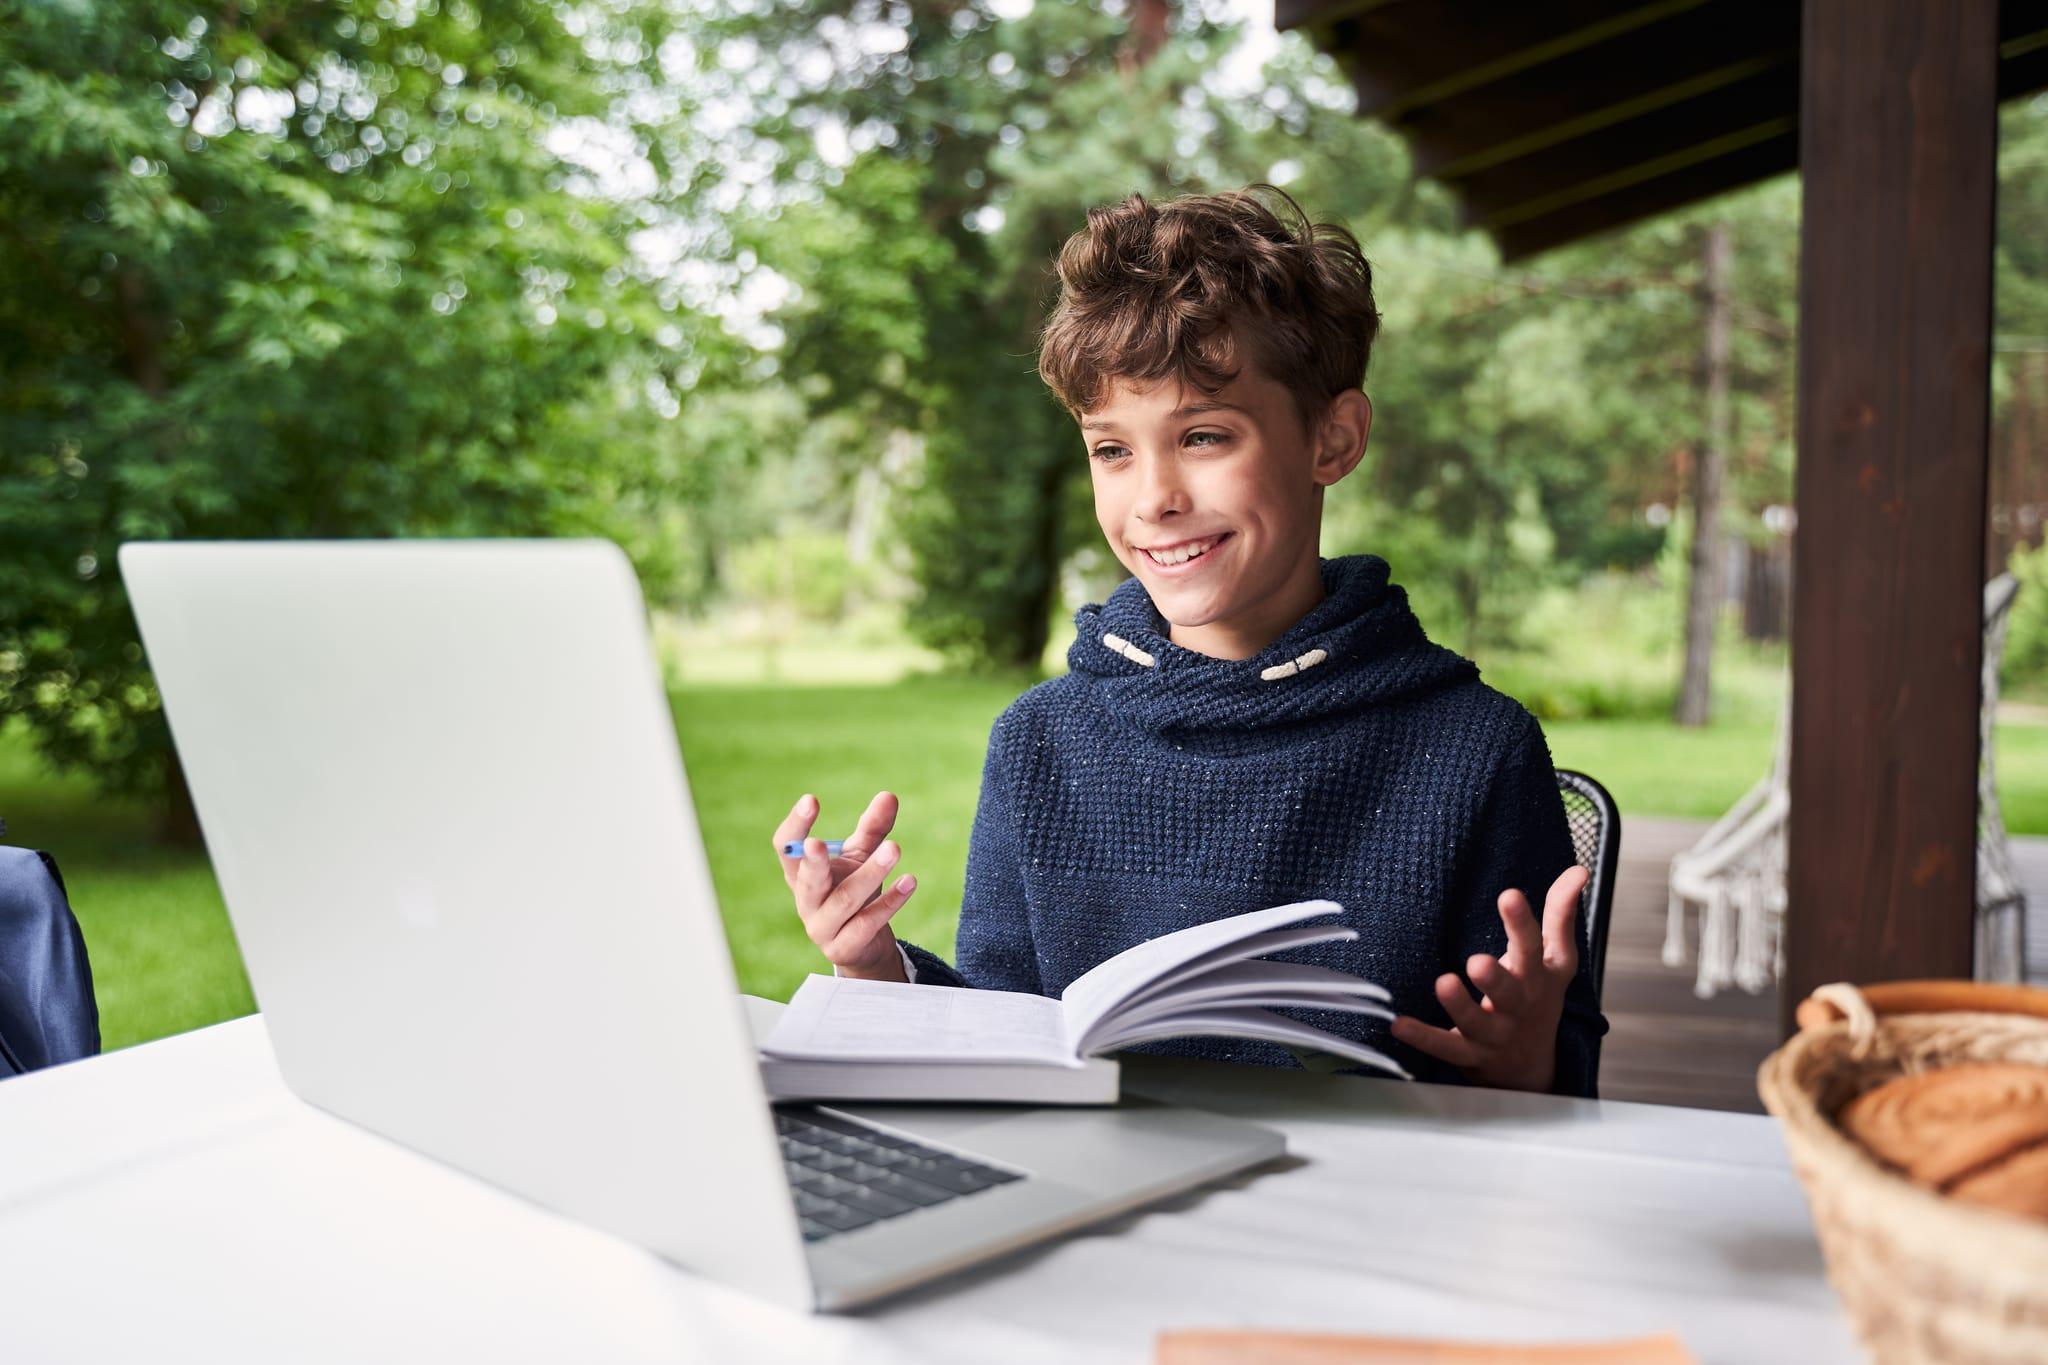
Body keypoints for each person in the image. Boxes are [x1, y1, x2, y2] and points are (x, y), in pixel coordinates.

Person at [770, 185, 1608, 1097]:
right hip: (1096, 1212)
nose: (1153, 498)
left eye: (1203, 435)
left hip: (1358, 1218)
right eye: (1113, 450)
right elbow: (1004, 1030)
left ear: (1334, 437)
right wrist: (876, 967)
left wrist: (1526, 1065)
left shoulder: (1475, 749)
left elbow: (1552, 1090)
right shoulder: (1039, 742)